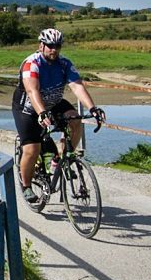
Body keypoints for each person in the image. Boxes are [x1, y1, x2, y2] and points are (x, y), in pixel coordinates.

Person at [12, 28, 105, 205]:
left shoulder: (64, 64)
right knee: (32, 149)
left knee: (75, 120)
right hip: (28, 108)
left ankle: (61, 158)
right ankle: (26, 186)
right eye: (50, 46)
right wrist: (41, 113)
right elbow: (32, 90)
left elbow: (77, 86)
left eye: (57, 46)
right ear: (41, 46)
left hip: (53, 103)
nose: (54, 49)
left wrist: (93, 108)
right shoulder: (31, 64)